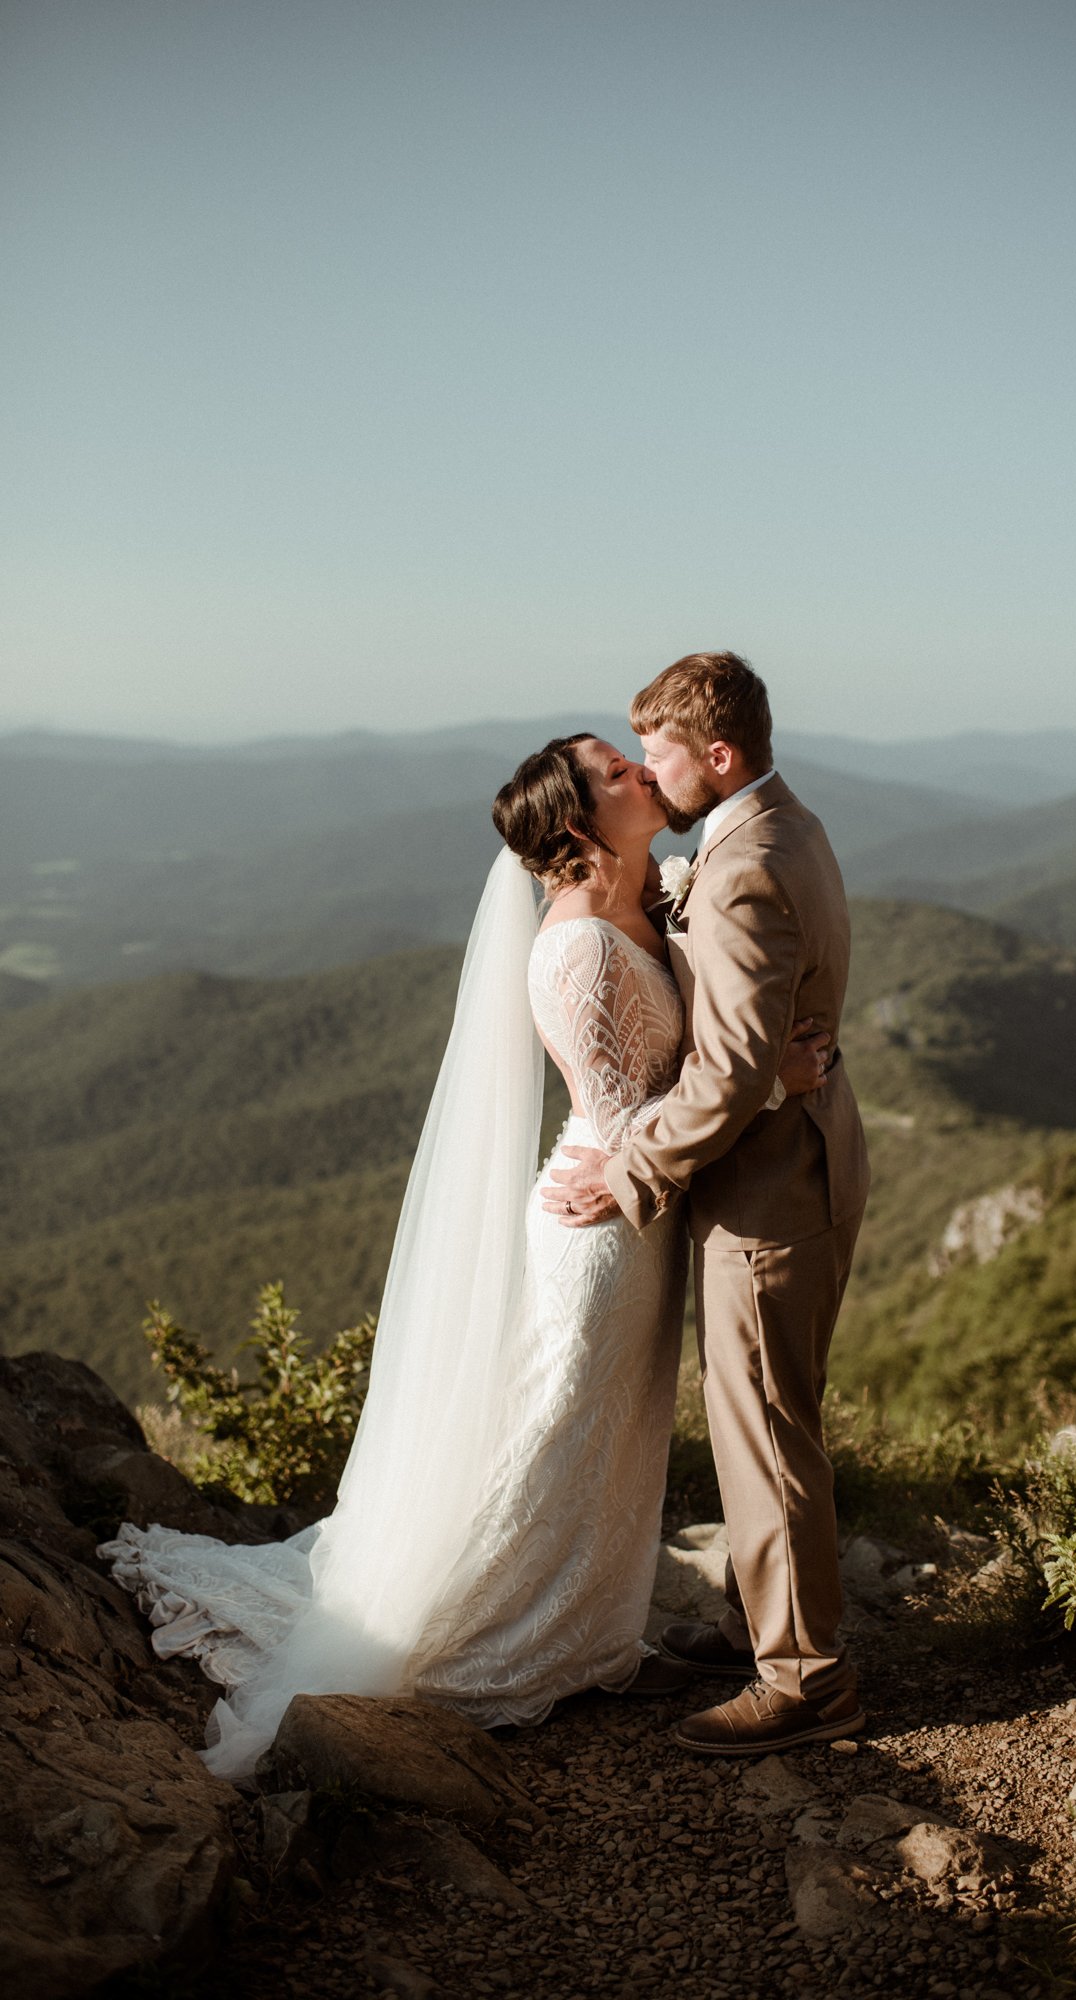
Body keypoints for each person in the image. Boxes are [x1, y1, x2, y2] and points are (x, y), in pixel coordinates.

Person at [99, 731, 826, 1782]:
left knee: (604, 1437)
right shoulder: (573, 948)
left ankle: (587, 1633)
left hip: (637, 1215)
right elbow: (626, 1115)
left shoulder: (642, 898)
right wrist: (772, 1083)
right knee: (554, 1432)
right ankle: (483, 1637)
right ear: (580, 822)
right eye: (618, 772)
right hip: (601, 1227)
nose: (640, 771)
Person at [546, 655, 871, 1755]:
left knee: (768, 1424)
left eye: (661, 753)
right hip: (809, 1148)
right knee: (764, 1414)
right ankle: (759, 1625)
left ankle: (803, 1679)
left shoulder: (738, 866)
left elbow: (731, 1073)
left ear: (718, 757)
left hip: (773, 1182)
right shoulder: (787, 824)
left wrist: (629, 1172)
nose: (646, 770)